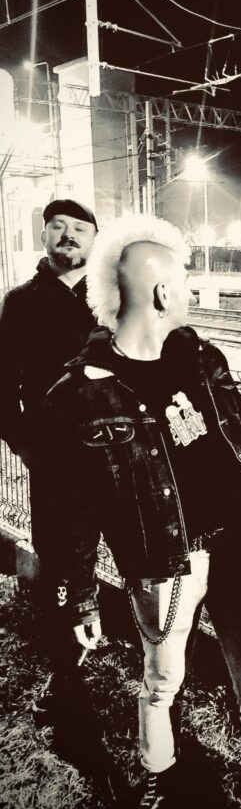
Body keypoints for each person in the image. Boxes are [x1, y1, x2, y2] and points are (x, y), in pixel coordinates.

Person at [43, 214, 241, 809]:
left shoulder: (202, 358)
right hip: (164, 566)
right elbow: (72, 510)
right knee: (161, 683)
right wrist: (79, 596)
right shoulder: (80, 394)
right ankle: (163, 785)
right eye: (181, 279)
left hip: (236, 555)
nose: (188, 289)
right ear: (160, 292)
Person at [0, 198, 98, 718]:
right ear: (42, 236)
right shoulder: (22, 302)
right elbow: (2, 384)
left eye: (80, 227)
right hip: (56, 461)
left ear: (95, 240)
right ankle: (67, 676)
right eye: (57, 226)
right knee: (59, 566)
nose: (68, 234)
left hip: (123, 459)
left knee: (141, 563)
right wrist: (24, 444)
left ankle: (155, 675)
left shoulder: (113, 294)